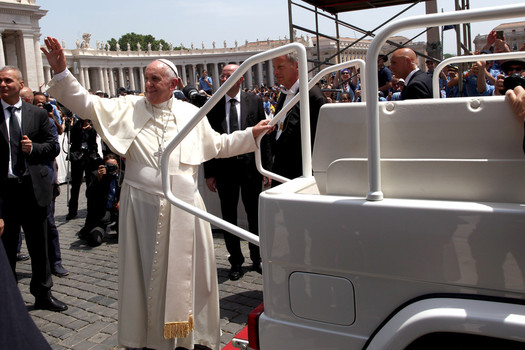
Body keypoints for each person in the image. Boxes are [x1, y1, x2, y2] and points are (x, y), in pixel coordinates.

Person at [42, 37, 272, 350]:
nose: (148, 84)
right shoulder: (128, 107)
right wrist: (62, 74)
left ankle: (189, 336)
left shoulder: (192, 112)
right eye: (146, 78)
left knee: (190, 276)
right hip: (142, 206)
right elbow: (87, 103)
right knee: (145, 275)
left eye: (155, 79)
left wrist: (251, 136)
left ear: (173, 82)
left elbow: (218, 145)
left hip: (185, 205)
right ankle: (148, 337)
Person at [0, 65, 67, 312]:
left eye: (8, 80)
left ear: (20, 84)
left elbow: (52, 147)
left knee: (39, 246)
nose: (3, 85)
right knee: (6, 248)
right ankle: (7, 300)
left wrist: (33, 149)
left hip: (33, 188)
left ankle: (42, 293)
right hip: (5, 191)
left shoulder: (37, 114)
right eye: (0, 81)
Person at [203, 64, 272, 281]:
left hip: (251, 168)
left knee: (254, 215)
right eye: (222, 76)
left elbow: (265, 138)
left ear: (240, 79)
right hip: (225, 170)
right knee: (229, 218)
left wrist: (266, 168)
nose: (223, 79)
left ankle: (257, 257)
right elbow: (208, 141)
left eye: (228, 76)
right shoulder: (212, 105)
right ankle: (235, 262)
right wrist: (209, 173)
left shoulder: (255, 101)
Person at [270, 52, 327, 182]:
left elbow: (321, 138)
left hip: (301, 173)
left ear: (296, 66)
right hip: (280, 170)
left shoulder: (314, 96)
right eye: (274, 67)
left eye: (280, 67)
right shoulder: (284, 93)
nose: (275, 72)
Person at [79, 153, 121, 246]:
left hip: (118, 212)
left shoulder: (122, 176)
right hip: (102, 213)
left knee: (124, 238)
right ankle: (88, 230)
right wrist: (98, 179)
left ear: (118, 165)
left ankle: (119, 228)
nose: (112, 168)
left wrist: (121, 202)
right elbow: (89, 195)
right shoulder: (96, 175)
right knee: (95, 240)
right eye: (109, 166)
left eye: (114, 166)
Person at [65, 116, 99, 220]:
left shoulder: (94, 123)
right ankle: (72, 211)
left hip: (90, 156)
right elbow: (70, 139)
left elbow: (96, 137)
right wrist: (72, 126)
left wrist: (91, 129)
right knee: (75, 185)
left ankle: (91, 209)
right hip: (77, 157)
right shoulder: (75, 124)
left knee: (91, 184)